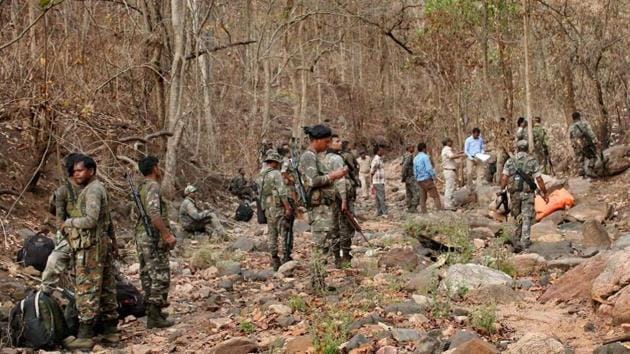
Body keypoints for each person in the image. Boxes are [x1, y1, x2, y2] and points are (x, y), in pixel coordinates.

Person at [61, 155, 118, 350]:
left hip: (91, 248)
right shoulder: (97, 188)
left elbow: (91, 220)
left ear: (91, 171)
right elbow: (108, 220)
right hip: (101, 245)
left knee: (87, 289)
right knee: (107, 289)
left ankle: (85, 336)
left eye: (80, 170)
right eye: (74, 171)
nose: (76, 174)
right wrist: (114, 243)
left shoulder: (93, 190)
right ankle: (111, 332)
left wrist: (69, 222)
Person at [136, 156, 177, 329]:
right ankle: (154, 316)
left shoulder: (142, 187)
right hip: (152, 236)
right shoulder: (152, 186)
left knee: (147, 274)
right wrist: (166, 234)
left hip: (141, 236)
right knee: (160, 275)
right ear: (154, 168)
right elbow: (154, 213)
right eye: (158, 166)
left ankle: (154, 311)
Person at [298, 125, 347, 266]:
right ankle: (317, 281)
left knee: (324, 244)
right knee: (321, 246)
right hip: (318, 208)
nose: (327, 145)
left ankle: (319, 280)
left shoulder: (314, 156)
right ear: (317, 140)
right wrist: (333, 175)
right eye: (326, 142)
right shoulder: (308, 156)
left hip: (323, 206)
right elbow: (313, 181)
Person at [500, 140, 549, 252]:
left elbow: (504, 178)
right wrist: (544, 193)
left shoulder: (510, 161)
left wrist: (502, 189)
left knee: (517, 216)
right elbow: (539, 179)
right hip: (527, 193)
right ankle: (525, 241)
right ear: (527, 149)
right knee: (526, 216)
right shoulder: (532, 161)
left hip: (514, 194)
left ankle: (517, 239)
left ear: (517, 148)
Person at [257, 150, 293, 270]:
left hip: (267, 207)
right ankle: (285, 258)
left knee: (272, 234)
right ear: (275, 162)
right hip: (277, 207)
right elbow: (282, 192)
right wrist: (287, 207)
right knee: (284, 231)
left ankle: (274, 259)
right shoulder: (276, 174)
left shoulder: (261, 175)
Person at [327, 136, 354, 267]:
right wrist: (344, 199)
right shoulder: (336, 159)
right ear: (330, 143)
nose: (340, 143)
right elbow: (340, 180)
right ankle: (345, 257)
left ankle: (337, 257)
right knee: (345, 227)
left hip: (329, 198)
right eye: (337, 141)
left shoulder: (323, 158)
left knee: (334, 227)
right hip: (339, 197)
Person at [414, 142, 442, 213]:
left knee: (423, 198)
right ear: (424, 149)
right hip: (427, 179)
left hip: (419, 180)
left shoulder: (415, 158)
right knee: (435, 196)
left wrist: (417, 179)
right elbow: (429, 168)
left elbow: (415, 171)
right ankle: (440, 212)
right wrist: (434, 177)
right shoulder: (425, 157)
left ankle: (424, 213)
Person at [569, 111, 597, 177]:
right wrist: (595, 139)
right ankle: (590, 170)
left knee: (581, 158)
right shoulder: (584, 123)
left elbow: (571, 137)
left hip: (577, 145)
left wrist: (574, 145)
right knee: (593, 157)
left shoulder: (571, 127)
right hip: (585, 143)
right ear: (579, 117)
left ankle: (582, 172)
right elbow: (590, 132)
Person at [440, 138, 463, 210]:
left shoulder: (445, 149)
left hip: (448, 170)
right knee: (449, 188)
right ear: (447, 142)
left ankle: (450, 203)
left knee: (450, 187)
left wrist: (460, 153)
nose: (452, 143)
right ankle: (448, 205)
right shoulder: (447, 149)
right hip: (449, 170)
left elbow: (453, 155)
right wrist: (462, 155)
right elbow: (452, 156)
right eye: (450, 142)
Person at [464, 127, 485, 192]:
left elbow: (482, 148)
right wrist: (471, 158)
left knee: (480, 173)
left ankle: (479, 187)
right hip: (470, 157)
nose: (477, 136)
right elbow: (466, 150)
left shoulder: (480, 139)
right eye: (476, 135)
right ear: (473, 133)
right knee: (469, 172)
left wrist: (481, 153)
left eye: (478, 135)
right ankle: (470, 186)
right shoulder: (468, 140)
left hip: (479, 156)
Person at [401, 144, 420, 212]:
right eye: (413, 147)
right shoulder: (409, 156)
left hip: (407, 177)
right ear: (409, 148)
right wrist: (403, 176)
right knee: (417, 192)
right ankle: (413, 207)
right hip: (411, 176)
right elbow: (404, 166)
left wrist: (403, 177)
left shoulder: (404, 155)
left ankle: (409, 207)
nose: (414, 149)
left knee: (409, 193)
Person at [371, 145, 387, 216]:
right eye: (381, 150)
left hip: (378, 180)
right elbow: (372, 169)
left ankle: (379, 212)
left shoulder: (379, 159)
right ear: (377, 151)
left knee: (377, 197)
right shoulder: (377, 159)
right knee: (381, 197)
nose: (382, 151)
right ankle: (384, 212)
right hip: (378, 181)